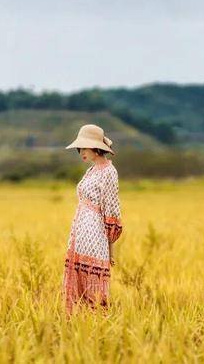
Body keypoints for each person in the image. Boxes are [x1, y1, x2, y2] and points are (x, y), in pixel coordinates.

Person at [61, 124, 123, 316]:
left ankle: (98, 327)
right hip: (80, 234)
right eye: (80, 149)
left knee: (93, 290)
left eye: (85, 148)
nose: (81, 153)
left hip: (95, 235)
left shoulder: (109, 172)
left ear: (97, 147)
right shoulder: (92, 170)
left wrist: (110, 248)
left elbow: (112, 210)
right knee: (78, 284)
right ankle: (78, 326)